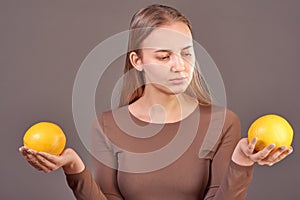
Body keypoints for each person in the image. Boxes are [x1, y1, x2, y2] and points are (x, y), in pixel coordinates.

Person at [19, 4, 293, 200]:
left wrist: (241, 160)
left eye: (186, 53)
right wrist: (74, 168)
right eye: (164, 56)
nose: (180, 66)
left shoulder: (223, 122)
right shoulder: (106, 125)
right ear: (137, 61)